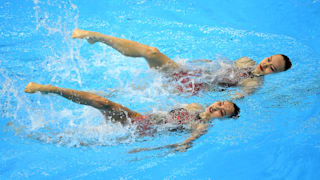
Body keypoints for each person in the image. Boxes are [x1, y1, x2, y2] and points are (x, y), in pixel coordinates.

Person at [72, 29, 292, 98]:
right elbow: (213, 64)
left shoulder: (253, 84)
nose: (266, 65)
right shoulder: (247, 61)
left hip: (188, 87)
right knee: (151, 51)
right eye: (270, 59)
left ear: (276, 74)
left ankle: (92, 92)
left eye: (273, 68)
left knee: (124, 92)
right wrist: (190, 64)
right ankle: (97, 37)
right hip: (189, 71)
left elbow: (234, 97)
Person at [24, 82, 240, 152]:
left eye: (223, 111)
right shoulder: (193, 104)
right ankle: (48, 89)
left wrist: (145, 150)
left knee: (82, 139)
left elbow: (179, 146)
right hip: (138, 118)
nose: (217, 108)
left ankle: (36, 137)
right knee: (104, 102)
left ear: (222, 119)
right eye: (220, 104)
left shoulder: (202, 127)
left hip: (138, 134)